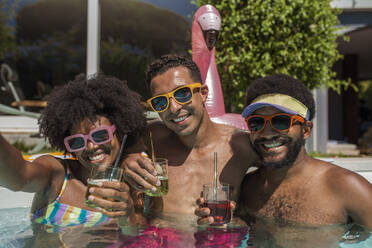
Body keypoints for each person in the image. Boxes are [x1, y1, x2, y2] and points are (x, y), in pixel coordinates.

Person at [0, 74, 147, 234]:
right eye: (77, 142)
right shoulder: (58, 174)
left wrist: (128, 217)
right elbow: (20, 177)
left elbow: (138, 234)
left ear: (118, 130)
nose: (91, 146)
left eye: (100, 135)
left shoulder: (132, 180)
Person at [123, 54, 258, 217]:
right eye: (161, 102)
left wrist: (240, 217)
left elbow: (287, 168)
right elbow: (110, 147)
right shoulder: (151, 136)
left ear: (203, 93)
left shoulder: (239, 145)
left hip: (222, 240)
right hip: (160, 239)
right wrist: (127, 158)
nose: (173, 108)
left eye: (182, 94)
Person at [236, 74, 372, 228]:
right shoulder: (246, 188)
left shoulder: (348, 188)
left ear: (306, 130)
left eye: (281, 121)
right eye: (256, 122)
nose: (267, 133)